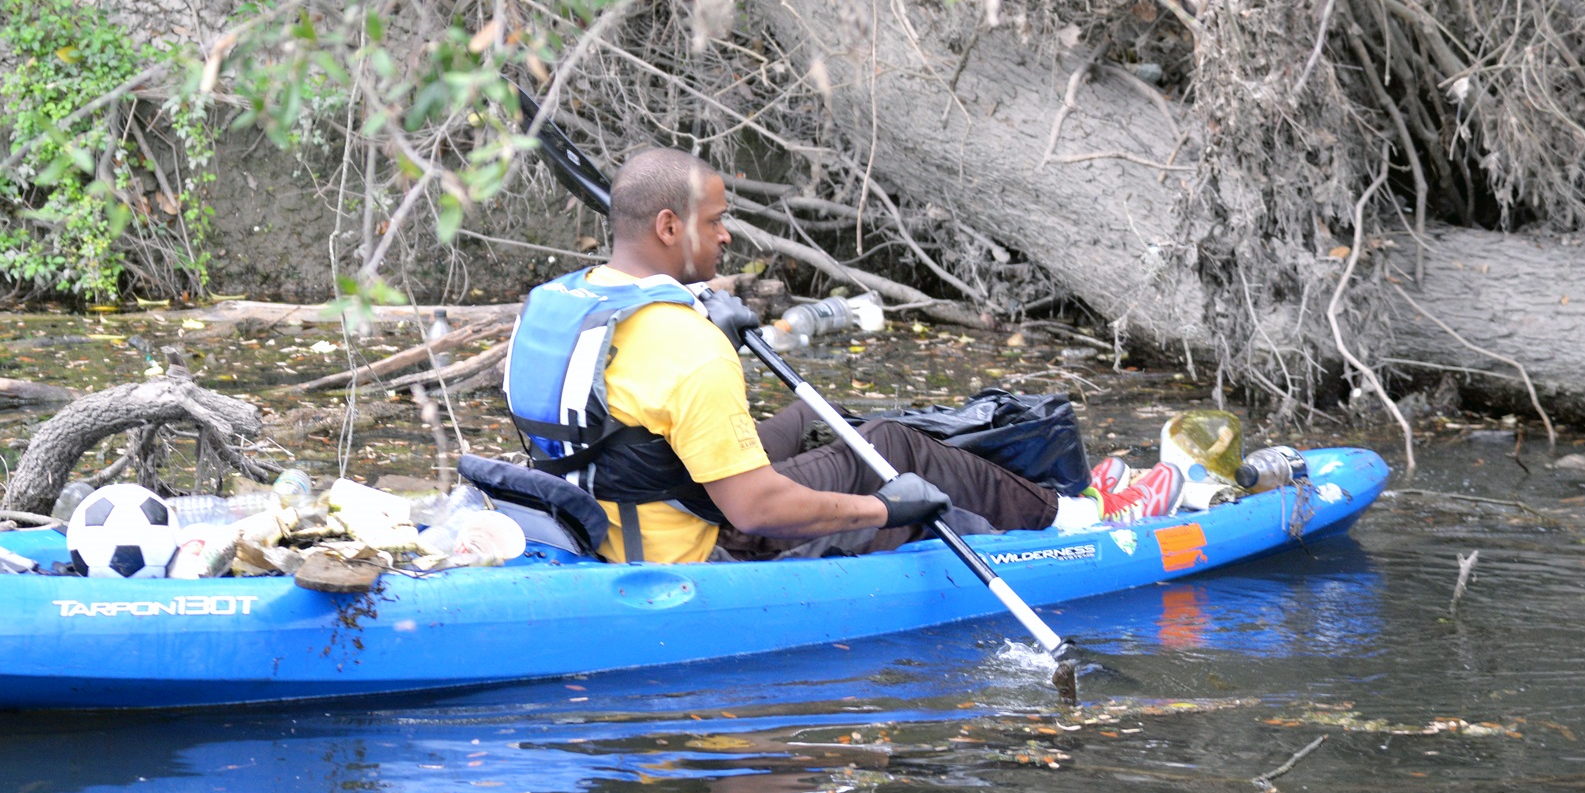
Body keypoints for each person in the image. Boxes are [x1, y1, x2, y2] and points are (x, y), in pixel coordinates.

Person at [503, 147, 1177, 564]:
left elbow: (635, 426)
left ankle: (1050, 495)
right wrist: (887, 510)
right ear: (668, 227)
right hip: (697, 550)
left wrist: (701, 306)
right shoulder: (686, 344)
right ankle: (1085, 519)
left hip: (609, 520)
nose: (728, 234)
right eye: (714, 222)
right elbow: (753, 512)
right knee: (894, 447)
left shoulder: (554, 306)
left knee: (821, 418)